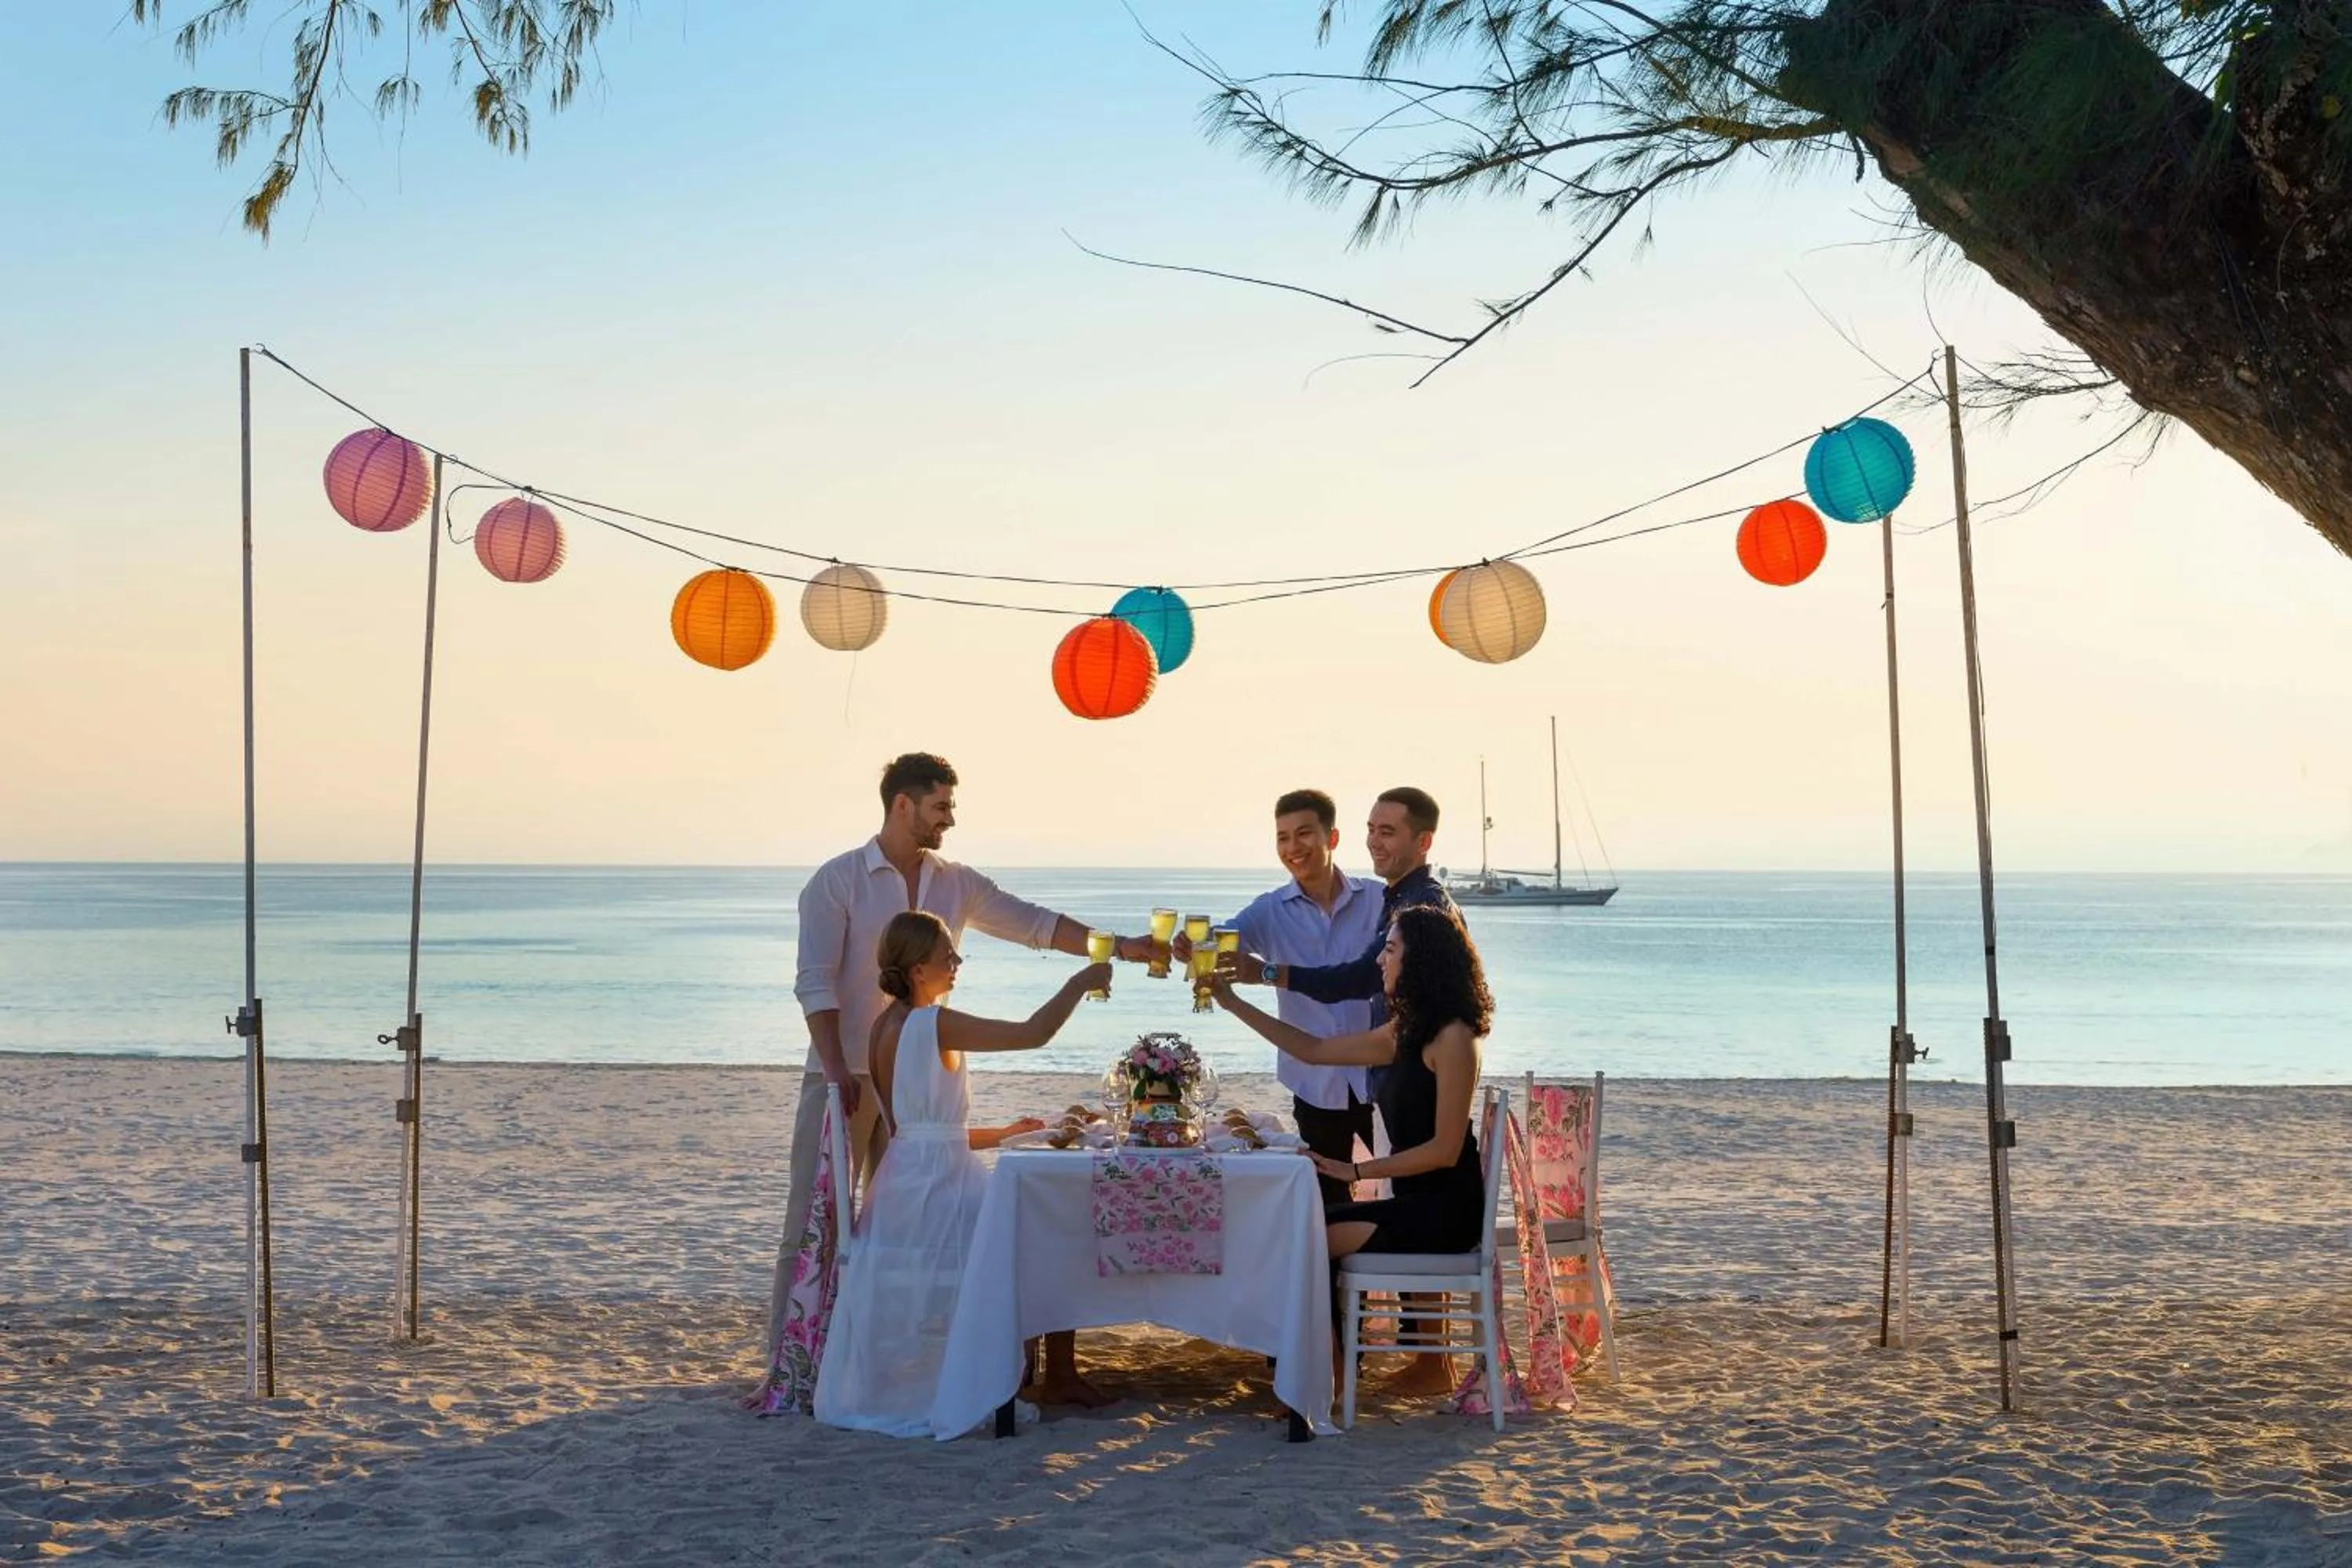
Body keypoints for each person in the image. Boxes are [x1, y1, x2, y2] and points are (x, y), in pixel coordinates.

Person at [770, 753, 1153, 1399]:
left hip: (916, 1079)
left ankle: (882, 1360)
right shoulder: (838, 880)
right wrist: (838, 1074)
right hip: (846, 1074)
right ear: (902, 805)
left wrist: (1119, 947)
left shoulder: (958, 882)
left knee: (895, 1229)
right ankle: (792, 1369)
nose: (951, 818)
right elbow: (815, 982)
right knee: (816, 1221)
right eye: (941, 806)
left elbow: (1035, 924)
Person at [814, 912, 1112, 1438]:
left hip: (901, 1188)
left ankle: (1037, 1375)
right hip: (940, 1192)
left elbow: (923, 1127)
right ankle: (1024, 1379)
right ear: (916, 967)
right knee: (1035, 1246)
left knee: (1028, 1237)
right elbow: (1033, 1034)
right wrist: (1080, 982)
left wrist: (1003, 1133)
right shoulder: (934, 1023)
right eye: (947, 955)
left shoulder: (886, 1025)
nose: (957, 964)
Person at [1224, 786, 1461, 1392]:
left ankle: (1415, 1361)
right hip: (1338, 1081)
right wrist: (1204, 966)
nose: (1376, 840)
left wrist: (1269, 974)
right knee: (1336, 1209)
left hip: (1395, 1083)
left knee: (1369, 1211)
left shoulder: (1409, 906)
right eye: (1373, 829)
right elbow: (1311, 1046)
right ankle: (1337, 1362)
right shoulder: (1392, 903)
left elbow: (1356, 979)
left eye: (1390, 831)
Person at [1210, 903, 1491, 1394]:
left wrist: (1355, 1172)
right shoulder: (1407, 1031)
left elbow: (1446, 1151)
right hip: (1410, 1203)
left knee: (1307, 1240)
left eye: (1390, 948)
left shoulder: (1454, 1038)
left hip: (1445, 1211)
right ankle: (1335, 1374)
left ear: (1422, 958)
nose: (1381, 960)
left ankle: (1328, 1380)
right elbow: (1314, 1051)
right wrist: (1234, 1004)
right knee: (1305, 1229)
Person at [1188, 789, 1382, 1206]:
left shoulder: (1380, 901)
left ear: (1332, 838)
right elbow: (1222, 941)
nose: (1293, 847)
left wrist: (1263, 973)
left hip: (1382, 1079)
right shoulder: (1269, 911)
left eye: (1304, 834)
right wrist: (1189, 946)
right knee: (1327, 1205)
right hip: (1315, 1086)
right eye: (1282, 837)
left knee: (1394, 1195)